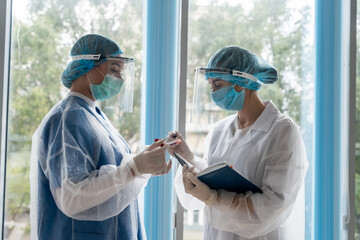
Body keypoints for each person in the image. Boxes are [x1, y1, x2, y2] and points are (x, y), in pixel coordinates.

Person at [30, 34, 172, 240]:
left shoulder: (93, 115)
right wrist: (134, 168)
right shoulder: (67, 118)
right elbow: (71, 196)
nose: (120, 79)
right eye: (114, 69)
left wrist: (144, 164)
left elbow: (113, 174)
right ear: (87, 65)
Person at [167, 46, 309, 240]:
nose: (213, 92)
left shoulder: (282, 130)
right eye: (210, 85)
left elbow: (273, 205)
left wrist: (214, 198)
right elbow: (212, 175)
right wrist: (188, 157)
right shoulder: (219, 130)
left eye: (217, 83)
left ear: (241, 82)